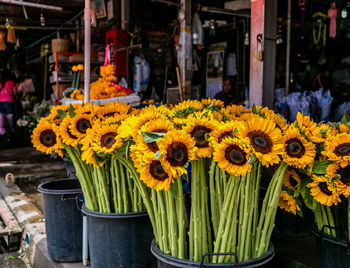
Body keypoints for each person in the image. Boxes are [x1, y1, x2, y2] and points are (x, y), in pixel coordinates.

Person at [0, 69, 16, 134]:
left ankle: (2, 132)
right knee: (9, 117)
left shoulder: (0, 84)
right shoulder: (11, 82)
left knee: (1, 118)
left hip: (0, 102)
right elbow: (15, 93)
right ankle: (11, 131)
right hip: (9, 102)